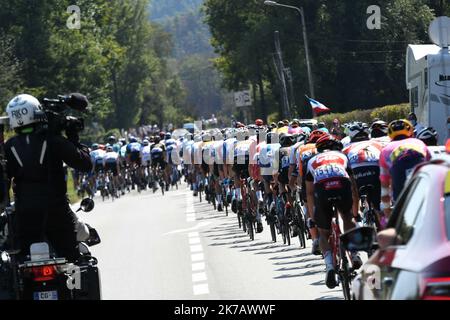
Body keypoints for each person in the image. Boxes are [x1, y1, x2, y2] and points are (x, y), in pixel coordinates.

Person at [5, 94, 92, 261]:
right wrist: (73, 136)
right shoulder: (53, 140)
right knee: (72, 260)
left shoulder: (8, 147)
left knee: (21, 264)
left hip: (25, 216)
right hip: (57, 211)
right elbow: (85, 164)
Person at [305, 134, 361, 289]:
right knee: (347, 218)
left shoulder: (311, 161)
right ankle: (354, 253)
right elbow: (353, 187)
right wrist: (355, 213)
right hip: (342, 186)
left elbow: (309, 193)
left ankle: (329, 265)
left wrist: (312, 217)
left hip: (322, 190)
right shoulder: (342, 156)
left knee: (324, 233)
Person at [379, 119, 431, 218]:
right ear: (410, 131)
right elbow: (432, 167)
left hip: (401, 195)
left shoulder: (385, 150)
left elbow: (384, 185)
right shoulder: (419, 143)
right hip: (424, 189)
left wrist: (387, 211)